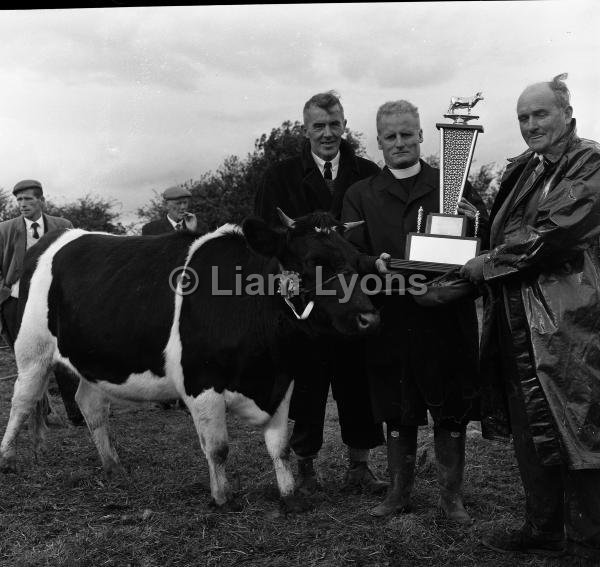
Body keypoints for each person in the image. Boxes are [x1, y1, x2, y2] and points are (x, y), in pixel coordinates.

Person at [460, 74, 600, 560]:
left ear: (567, 113)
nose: (530, 124)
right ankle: (543, 528)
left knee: (577, 428)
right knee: (532, 429)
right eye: (523, 117)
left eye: (540, 114)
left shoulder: (590, 162)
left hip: (568, 324)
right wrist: (468, 223)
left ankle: (586, 541)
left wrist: (488, 263)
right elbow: (505, 230)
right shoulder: (526, 167)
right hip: (517, 322)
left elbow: (553, 231)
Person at [341, 100, 489, 523]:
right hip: (391, 316)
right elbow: (349, 252)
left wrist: (477, 219)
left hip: (446, 317)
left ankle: (451, 498)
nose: (400, 143)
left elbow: (484, 241)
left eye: (408, 134)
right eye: (391, 136)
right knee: (396, 408)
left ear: (423, 135)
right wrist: (374, 264)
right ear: (379, 141)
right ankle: (398, 492)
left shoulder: (453, 183)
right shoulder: (360, 194)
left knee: (452, 408)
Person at [254, 91, 386, 494]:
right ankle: (306, 466)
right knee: (306, 386)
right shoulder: (278, 177)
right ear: (305, 129)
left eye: (334, 125)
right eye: (319, 126)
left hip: (351, 296)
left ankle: (359, 466)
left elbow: (372, 236)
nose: (328, 134)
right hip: (303, 308)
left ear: (344, 125)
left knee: (357, 382)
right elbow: (266, 245)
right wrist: (290, 293)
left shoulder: (367, 172)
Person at [0, 179, 83, 426]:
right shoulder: (5, 229)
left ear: (41, 201)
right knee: (27, 359)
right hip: (16, 302)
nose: (22, 204)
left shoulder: (63, 226)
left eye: (28, 199)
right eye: (19, 200)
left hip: (55, 301)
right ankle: (42, 413)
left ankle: (77, 413)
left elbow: (75, 262)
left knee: (64, 355)